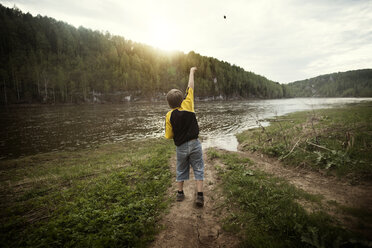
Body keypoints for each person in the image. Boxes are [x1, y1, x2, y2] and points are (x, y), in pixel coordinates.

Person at [165, 67, 204, 207]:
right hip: (194, 143)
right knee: (198, 168)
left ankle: (180, 193)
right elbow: (190, 87)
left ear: (169, 104)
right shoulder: (188, 104)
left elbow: (169, 135)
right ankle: (200, 196)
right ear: (182, 99)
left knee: (181, 169)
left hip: (181, 147)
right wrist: (191, 72)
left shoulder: (169, 115)